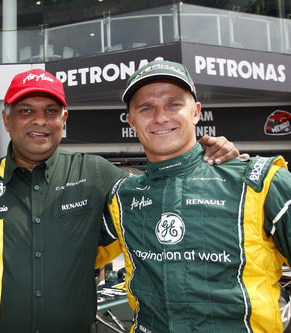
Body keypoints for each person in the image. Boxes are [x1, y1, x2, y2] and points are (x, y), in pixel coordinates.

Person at [0, 68, 243, 333]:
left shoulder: (96, 173)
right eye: (26, 110)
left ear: (63, 119)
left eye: (51, 111)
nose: (40, 120)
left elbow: (159, 185)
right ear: (6, 118)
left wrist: (209, 157)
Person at [105, 59, 291, 332]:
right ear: (132, 122)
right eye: (146, 108)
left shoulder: (262, 182)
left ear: (196, 112)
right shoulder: (121, 198)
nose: (160, 117)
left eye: (173, 104)